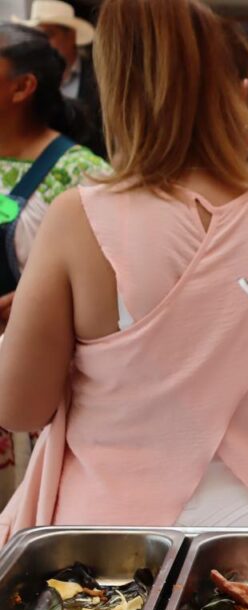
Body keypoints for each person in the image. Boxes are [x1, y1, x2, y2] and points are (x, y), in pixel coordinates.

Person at [0, 0, 248, 542]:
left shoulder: (78, 219)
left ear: (118, 90)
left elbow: (22, 405)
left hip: (110, 546)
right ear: (236, 90)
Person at [0, 22, 108, 507]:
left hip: (25, 388)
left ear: (23, 87)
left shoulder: (80, 173)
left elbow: (109, 281)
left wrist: (33, 303)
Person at [14, 0, 103, 157]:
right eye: (36, 34)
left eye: (48, 34)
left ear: (71, 36)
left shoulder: (98, 77)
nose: (42, 42)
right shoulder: (27, 81)